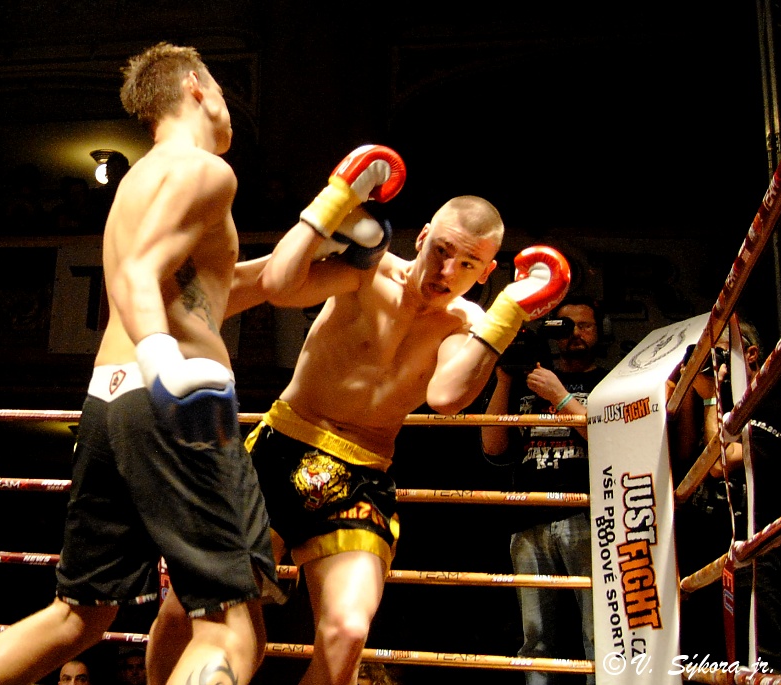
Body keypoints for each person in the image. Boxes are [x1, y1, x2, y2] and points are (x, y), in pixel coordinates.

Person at [0, 41, 304, 685]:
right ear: (196, 86)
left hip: (110, 401)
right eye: (220, 87)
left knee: (77, 617)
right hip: (178, 402)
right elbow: (140, 274)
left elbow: (206, 293)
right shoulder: (207, 171)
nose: (227, 104)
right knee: (231, 628)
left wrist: (321, 240)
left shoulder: (141, 181)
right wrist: (166, 364)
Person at [245, 183, 571, 685]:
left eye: (467, 264)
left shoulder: (471, 326)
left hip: (359, 474)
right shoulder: (367, 269)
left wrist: (508, 313)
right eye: (442, 251)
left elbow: (446, 397)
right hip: (282, 445)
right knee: (211, 610)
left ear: (487, 272)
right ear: (421, 238)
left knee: (347, 634)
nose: (447, 272)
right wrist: (333, 200)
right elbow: (280, 289)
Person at [480, 295, 609, 685]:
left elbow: (612, 442)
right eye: (567, 326)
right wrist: (505, 378)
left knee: (598, 633)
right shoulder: (528, 382)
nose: (575, 334)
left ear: (601, 331)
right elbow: (493, 448)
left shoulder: (611, 383)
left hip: (587, 515)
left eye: (585, 325)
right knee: (535, 640)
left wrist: (561, 398)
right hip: (529, 517)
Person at [675, 319, 781, 673]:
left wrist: (711, 396)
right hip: (708, 557)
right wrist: (687, 386)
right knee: (710, 662)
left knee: (765, 661)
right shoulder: (709, 408)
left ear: (751, 355)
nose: (711, 364)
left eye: (718, 354)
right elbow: (682, 458)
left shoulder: (773, 408)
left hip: (759, 557)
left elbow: (720, 462)